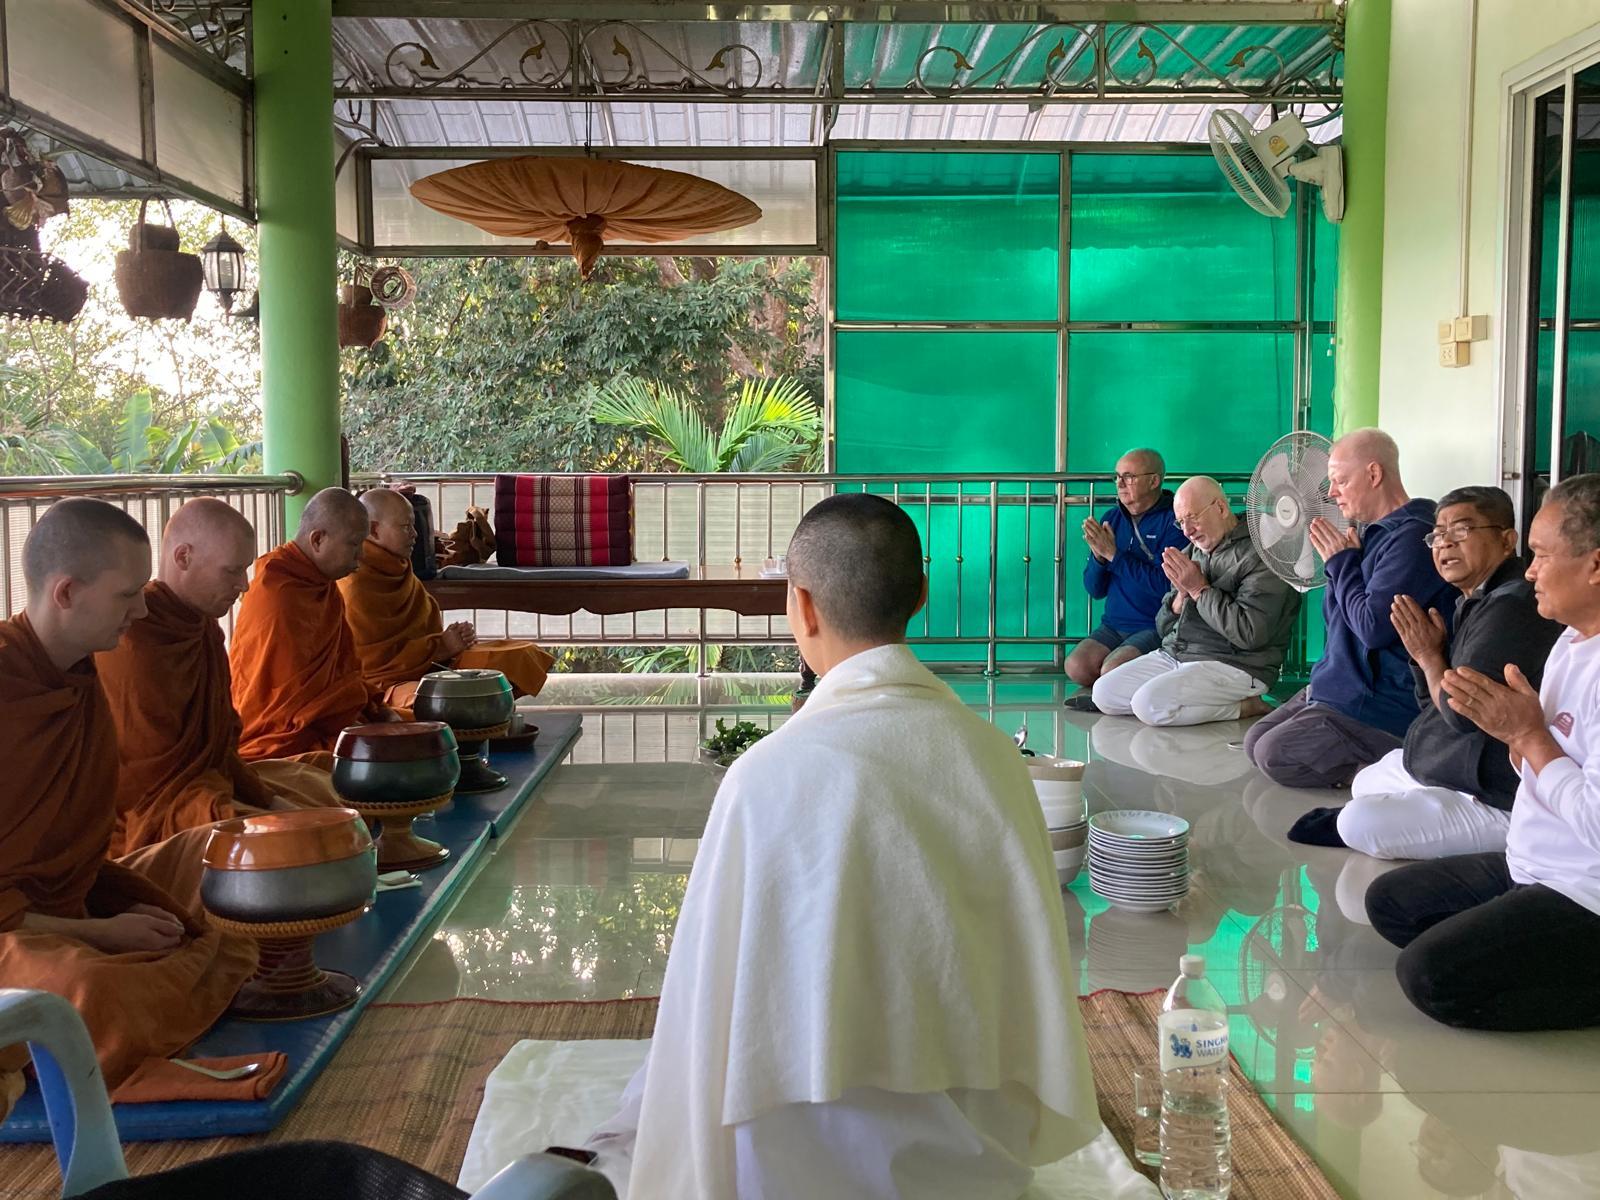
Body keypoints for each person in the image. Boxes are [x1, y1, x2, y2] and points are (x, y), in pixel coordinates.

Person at [584, 493, 1099, 1200]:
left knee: (663, 1075)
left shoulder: (762, 777)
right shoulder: (995, 761)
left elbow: (706, 1008)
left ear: (801, 606)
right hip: (971, 1175)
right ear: (920, 596)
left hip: (791, 1179)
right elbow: (1028, 976)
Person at [0, 499, 255, 1088]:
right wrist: (98, 933)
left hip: (66, 901)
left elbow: (78, 855)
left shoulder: (77, 675)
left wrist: (115, 908)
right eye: (127, 595)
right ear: (67, 593)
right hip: (16, 933)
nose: (141, 609)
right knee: (93, 992)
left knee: (229, 863)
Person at [1364, 474, 1600, 1031]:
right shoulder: (1571, 640)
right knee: (1390, 902)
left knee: (1429, 977)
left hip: (1585, 891)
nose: (1531, 571)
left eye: (1542, 556)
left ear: (1595, 566)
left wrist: (1529, 738)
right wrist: (1520, 738)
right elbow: (1534, 760)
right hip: (1531, 864)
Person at [1288, 486, 1562, 857]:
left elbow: (1461, 714)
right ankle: (1421, 806)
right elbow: (1433, 705)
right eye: (1438, 535)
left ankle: (1501, 830)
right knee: (1366, 781)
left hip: (1497, 792)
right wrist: (1426, 658)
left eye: (1462, 530)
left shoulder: (1510, 606)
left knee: (1358, 822)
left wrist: (1428, 656)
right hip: (1455, 761)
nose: (1445, 543)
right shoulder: (1474, 600)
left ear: (1506, 540)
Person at [96, 499, 346, 858]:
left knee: (323, 784)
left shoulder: (203, 629)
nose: (244, 585)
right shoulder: (132, 639)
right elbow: (145, 786)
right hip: (156, 810)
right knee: (279, 843)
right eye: (232, 571)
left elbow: (220, 745)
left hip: (211, 784)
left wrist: (268, 799)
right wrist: (250, 808)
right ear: (183, 558)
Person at [1245, 429, 1455, 788]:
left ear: (1374, 474)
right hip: (1338, 683)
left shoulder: (1413, 539)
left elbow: (1372, 628)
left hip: (1379, 700)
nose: (1330, 493)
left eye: (1340, 481)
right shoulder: (1367, 535)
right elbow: (1339, 619)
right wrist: (1345, 563)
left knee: (1273, 754)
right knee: (1254, 743)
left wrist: (1341, 563)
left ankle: (1384, 768)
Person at [1091, 476, 1299, 726]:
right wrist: (1179, 599)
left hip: (1236, 663)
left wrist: (1199, 590)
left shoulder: (1262, 554)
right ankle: (1194, 700)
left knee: (1148, 704)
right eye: (1181, 522)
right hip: (1178, 654)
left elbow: (1250, 634)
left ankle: (1245, 707)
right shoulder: (1192, 553)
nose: (1187, 531)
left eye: (1192, 518)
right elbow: (1163, 628)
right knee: (1104, 693)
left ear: (1220, 508)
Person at [339, 487, 554, 708]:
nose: (415, 534)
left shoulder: (398, 566)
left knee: (520, 657)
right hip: (384, 688)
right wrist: (441, 646)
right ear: (374, 530)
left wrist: (453, 639)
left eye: (414, 525)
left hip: (431, 666)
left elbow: (424, 628)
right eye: (405, 527)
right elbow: (370, 667)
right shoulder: (355, 584)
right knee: (438, 702)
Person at [229, 487, 397, 759]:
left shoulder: (322, 583)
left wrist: (372, 707)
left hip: (327, 720)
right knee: (376, 755)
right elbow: (286, 705)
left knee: (408, 731)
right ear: (318, 539)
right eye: (354, 544)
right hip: (284, 736)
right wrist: (354, 713)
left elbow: (344, 670)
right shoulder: (278, 594)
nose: (361, 556)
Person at [1064, 448, 1187, 711]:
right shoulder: (1112, 519)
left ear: (1153, 481)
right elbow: (1095, 589)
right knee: (1076, 666)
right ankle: (1117, 688)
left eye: (1129, 477)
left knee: (1112, 670)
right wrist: (1099, 559)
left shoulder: (1174, 522)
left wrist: (1114, 555)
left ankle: (1126, 690)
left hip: (1154, 625)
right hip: (1114, 624)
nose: (1120, 483)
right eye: (1117, 476)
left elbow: (1167, 586)